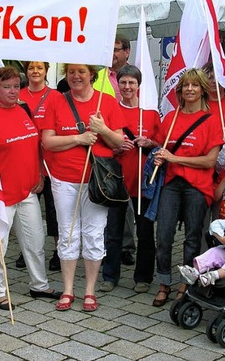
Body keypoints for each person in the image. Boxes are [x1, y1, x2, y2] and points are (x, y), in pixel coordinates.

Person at [41, 63, 125, 312]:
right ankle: (68, 290)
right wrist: (78, 138)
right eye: (71, 72)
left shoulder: (107, 102)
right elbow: (47, 142)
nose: (76, 76)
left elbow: (119, 142)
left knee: (94, 234)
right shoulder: (56, 101)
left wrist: (103, 130)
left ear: (92, 75)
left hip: (97, 181)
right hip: (64, 179)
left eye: (82, 71)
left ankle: (89, 290)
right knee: (67, 233)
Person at [0, 66, 61, 310]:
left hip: (27, 190)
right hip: (0, 194)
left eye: (16, 86)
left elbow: (34, 146)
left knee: (34, 241)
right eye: (7, 87)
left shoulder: (24, 109)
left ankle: (39, 285)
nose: (13, 91)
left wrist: (39, 174)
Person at [152, 68, 224, 307]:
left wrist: (174, 159)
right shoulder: (171, 118)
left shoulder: (212, 120)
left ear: (203, 89)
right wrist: (159, 156)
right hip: (171, 184)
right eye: (185, 86)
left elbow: (209, 161)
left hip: (197, 186)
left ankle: (186, 283)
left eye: (194, 85)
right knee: (163, 235)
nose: (190, 90)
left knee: (192, 238)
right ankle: (163, 282)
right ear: (180, 91)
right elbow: (162, 146)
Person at [99, 65, 161, 294]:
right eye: (123, 82)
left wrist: (150, 143)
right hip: (116, 181)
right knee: (113, 231)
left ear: (138, 85)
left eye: (131, 83)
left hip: (142, 183)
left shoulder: (151, 114)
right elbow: (101, 145)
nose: (127, 87)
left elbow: (162, 145)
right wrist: (116, 148)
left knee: (144, 232)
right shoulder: (111, 110)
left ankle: (143, 277)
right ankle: (110, 275)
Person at [94, 33, 137, 266]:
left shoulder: (135, 74)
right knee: (107, 194)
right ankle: (105, 244)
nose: (112, 53)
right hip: (106, 141)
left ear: (127, 52)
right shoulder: (99, 76)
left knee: (127, 200)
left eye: (117, 49)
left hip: (129, 142)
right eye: (109, 48)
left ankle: (127, 247)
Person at [17, 60, 63, 272]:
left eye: (39, 68)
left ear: (46, 71)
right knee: (24, 209)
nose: (35, 71)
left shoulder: (55, 97)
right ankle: (26, 250)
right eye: (31, 68)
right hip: (26, 161)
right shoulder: (17, 96)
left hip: (51, 162)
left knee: (54, 210)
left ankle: (57, 251)